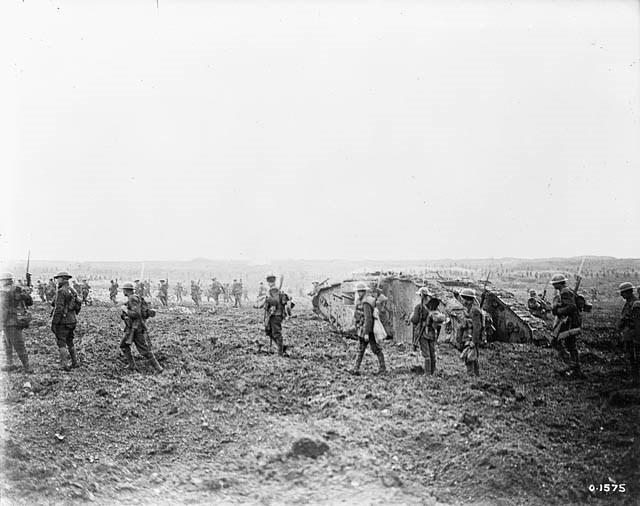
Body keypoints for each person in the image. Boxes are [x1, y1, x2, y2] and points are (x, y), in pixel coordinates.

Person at [120, 282, 163, 373]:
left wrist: (125, 310)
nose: (122, 291)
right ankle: (132, 365)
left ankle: (158, 368)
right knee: (124, 345)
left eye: (123, 289)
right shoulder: (133, 298)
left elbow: (136, 314)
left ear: (126, 290)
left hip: (136, 328)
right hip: (132, 327)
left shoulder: (132, 299)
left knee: (144, 350)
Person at [550, 273, 584, 379]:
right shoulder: (566, 290)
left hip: (569, 321)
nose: (553, 286)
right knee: (570, 344)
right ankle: (576, 369)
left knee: (556, 342)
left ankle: (570, 363)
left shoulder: (565, 292)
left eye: (554, 284)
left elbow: (571, 307)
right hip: (571, 320)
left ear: (559, 284)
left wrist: (557, 311)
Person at [0, 272, 34, 373]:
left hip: (9, 322)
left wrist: (0, 324)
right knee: (10, 343)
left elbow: (3, 310)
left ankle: (27, 367)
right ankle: (9, 363)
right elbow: (30, 302)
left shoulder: (3, 292)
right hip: (19, 320)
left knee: (13, 344)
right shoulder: (18, 290)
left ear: (5, 281)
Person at [350, 282, 386, 375]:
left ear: (364, 291)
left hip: (368, 331)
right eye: (359, 291)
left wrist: (366, 333)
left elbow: (368, 318)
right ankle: (356, 368)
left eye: (361, 291)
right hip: (363, 329)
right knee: (361, 349)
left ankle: (383, 368)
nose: (359, 293)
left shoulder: (366, 302)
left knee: (375, 349)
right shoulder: (362, 300)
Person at [51, 271, 82, 370]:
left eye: (58, 278)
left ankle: (64, 364)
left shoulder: (61, 291)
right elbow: (78, 306)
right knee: (70, 341)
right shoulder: (72, 290)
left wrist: (54, 322)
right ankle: (74, 362)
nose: (57, 280)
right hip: (72, 320)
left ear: (62, 279)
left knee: (61, 342)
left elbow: (58, 308)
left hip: (63, 321)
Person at [410, 287, 440, 375]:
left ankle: (427, 373)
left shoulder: (419, 307)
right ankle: (432, 372)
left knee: (426, 354)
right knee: (432, 353)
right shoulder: (434, 308)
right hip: (432, 333)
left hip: (423, 333)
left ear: (421, 295)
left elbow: (414, 319)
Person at [263, 273, 291, 356]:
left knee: (276, 333)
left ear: (269, 282)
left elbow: (274, 302)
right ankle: (281, 347)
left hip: (275, 315)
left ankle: (280, 352)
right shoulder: (276, 290)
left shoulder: (273, 290)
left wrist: (268, 298)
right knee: (268, 331)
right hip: (274, 314)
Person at [617, 282, 639, 385]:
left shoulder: (635, 303)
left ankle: (636, 379)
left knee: (634, 356)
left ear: (628, 292)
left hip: (633, 333)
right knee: (631, 356)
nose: (621, 295)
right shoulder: (629, 302)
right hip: (629, 332)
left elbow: (632, 319)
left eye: (623, 293)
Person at [458, 288, 483, 376]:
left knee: (469, 357)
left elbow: (477, 327)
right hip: (467, 336)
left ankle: (471, 375)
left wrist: (474, 341)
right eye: (464, 299)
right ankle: (476, 375)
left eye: (467, 299)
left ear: (470, 300)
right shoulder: (468, 309)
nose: (464, 301)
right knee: (473, 357)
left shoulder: (474, 310)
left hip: (471, 338)